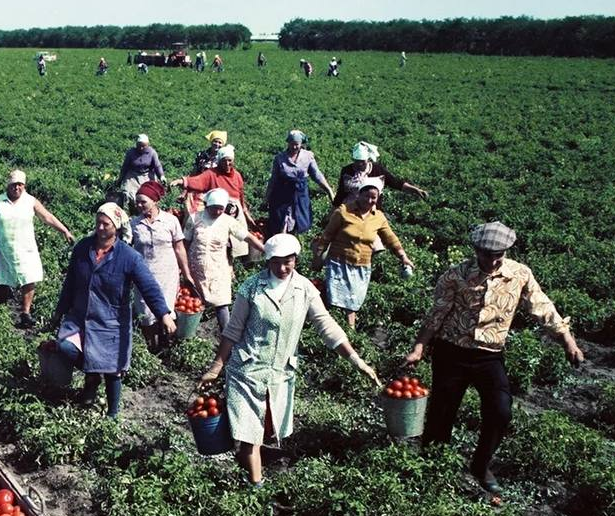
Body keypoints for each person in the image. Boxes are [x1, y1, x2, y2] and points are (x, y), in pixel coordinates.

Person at [404, 221, 584, 492]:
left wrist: (567, 340)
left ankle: (481, 464)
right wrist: (419, 346)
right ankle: (432, 465)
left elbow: (542, 306)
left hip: (489, 355)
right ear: (476, 250)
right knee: (443, 412)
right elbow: (437, 314)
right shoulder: (456, 275)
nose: (493, 260)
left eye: (499, 254)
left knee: (500, 411)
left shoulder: (519, 274)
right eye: (487, 254)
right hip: (452, 351)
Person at [199, 234, 380, 486]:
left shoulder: (305, 288)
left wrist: (356, 360)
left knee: (264, 430)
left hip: (280, 373)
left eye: (288, 261)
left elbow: (326, 326)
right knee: (251, 435)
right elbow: (233, 330)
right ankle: (256, 487)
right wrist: (216, 367)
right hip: (247, 370)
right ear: (267, 261)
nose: (283, 268)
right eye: (276, 262)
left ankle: (244, 460)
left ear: (296, 259)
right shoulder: (251, 288)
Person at [52, 203, 178, 417]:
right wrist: (59, 311)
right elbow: (70, 283)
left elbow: (148, 286)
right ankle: (92, 376)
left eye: (105, 224)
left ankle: (112, 414)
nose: (100, 228)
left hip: (110, 322)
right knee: (65, 347)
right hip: (80, 317)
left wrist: (163, 314)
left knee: (112, 369)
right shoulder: (83, 248)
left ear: (116, 226)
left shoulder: (128, 256)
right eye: (98, 223)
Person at [312, 179, 415, 329]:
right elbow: (327, 235)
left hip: (362, 265)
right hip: (338, 261)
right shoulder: (343, 211)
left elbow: (391, 239)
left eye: (374, 197)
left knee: (353, 299)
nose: (370, 200)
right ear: (358, 195)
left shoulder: (378, 217)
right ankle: (333, 328)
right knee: (336, 297)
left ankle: (348, 331)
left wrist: (403, 257)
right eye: (366, 196)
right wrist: (318, 256)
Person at [0, 169, 75, 328]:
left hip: (26, 248)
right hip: (4, 247)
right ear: (8, 185)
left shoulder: (30, 201)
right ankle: (2, 311)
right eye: (14, 184)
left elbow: (47, 217)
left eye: (20, 185)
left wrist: (64, 230)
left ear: (24, 186)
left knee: (29, 278)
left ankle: (25, 313)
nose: (17, 188)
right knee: (2, 279)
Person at [184, 189, 265, 336]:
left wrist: (264, 249)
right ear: (207, 205)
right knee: (194, 305)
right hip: (195, 267)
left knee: (221, 304)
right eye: (214, 208)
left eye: (221, 209)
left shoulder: (228, 221)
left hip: (218, 268)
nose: (217, 212)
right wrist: (183, 267)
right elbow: (185, 243)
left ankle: (227, 337)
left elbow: (247, 237)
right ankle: (191, 335)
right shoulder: (195, 218)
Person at [130, 181, 193, 351]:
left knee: (166, 311)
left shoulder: (170, 221)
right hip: (143, 275)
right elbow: (127, 249)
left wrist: (186, 273)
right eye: (138, 202)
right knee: (146, 313)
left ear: (154, 200)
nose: (139, 205)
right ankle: (152, 347)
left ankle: (167, 348)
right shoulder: (134, 224)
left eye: (143, 201)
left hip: (167, 274)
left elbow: (179, 248)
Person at [266, 130, 333, 236]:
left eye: (296, 144)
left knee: (299, 221)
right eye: (291, 144)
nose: (294, 147)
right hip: (282, 195)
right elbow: (273, 179)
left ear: (301, 144)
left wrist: (329, 190)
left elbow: (317, 175)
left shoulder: (308, 156)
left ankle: (295, 246)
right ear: (288, 143)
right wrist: (267, 197)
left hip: (300, 195)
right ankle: (281, 248)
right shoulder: (280, 158)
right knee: (282, 223)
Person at [332, 141, 428, 208]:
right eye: (356, 161)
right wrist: (332, 213)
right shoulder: (347, 171)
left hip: (373, 210)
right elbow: (341, 194)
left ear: (368, 159)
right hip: (350, 209)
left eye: (362, 161)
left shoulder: (378, 170)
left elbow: (396, 183)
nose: (359, 164)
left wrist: (415, 190)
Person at [116, 134, 165, 206]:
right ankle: (133, 208)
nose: (141, 148)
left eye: (143, 146)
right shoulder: (131, 153)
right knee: (129, 192)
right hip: (133, 175)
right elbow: (125, 167)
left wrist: (161, 176)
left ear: (147, 145)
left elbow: (157, 165)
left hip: (147, 175)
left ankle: (145, 206)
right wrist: (120, 178)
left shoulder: (152, 153)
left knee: (147, 193)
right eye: (139, 146)